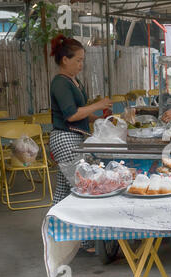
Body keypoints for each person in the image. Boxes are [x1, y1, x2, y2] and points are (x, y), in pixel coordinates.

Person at [49, 34, 112, 205]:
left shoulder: (74, 81)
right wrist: (98, 105)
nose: (81, 65)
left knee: (64, 190)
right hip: (65, 138)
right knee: (84, 185)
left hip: (74, 137)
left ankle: (54, 225)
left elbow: (82, 113)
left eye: (82, 60)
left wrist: (98, 119)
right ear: (64, 60)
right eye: (78, 60)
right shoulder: (60, 83)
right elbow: (71, 115)